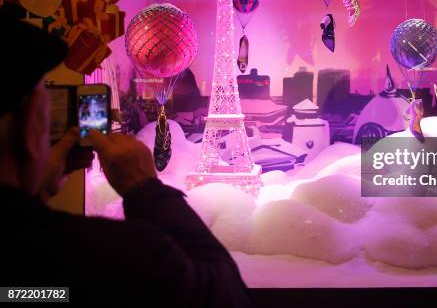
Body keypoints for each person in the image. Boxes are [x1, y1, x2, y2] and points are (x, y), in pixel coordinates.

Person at [0, 17, 252, 306]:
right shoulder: (115, 255)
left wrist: (34, 194)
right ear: (30, 131)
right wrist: (146, 189)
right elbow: (225, 294)